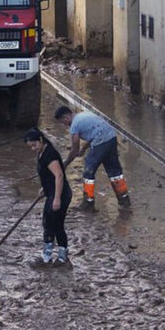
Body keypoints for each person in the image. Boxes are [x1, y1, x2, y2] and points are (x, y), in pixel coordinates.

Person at [55, 106, 130, 210]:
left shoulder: (75, 125)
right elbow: (93, 134)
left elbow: (74, 148)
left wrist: (66, 163)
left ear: (66, 117)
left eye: (63, 122)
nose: (64, 125)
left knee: (88, 172)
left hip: (101, 142)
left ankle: (88, 203)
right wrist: (84, 149)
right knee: (114, 172)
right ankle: (124, 200)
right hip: (111, 138)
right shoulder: (84, 115)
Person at [25, 129, 71, 265]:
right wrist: (44, 188)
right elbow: (48, 175)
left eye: (34, 145)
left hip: (60, 194)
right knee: (48, 223)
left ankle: (60, 257)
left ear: (40, 140)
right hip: (51, 191)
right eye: (30, 147)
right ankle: (49, 256)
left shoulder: (50, 155)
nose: (33, 149)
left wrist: (57, 198)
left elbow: (59, 175)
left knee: (55, 225)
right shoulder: (42, 152)